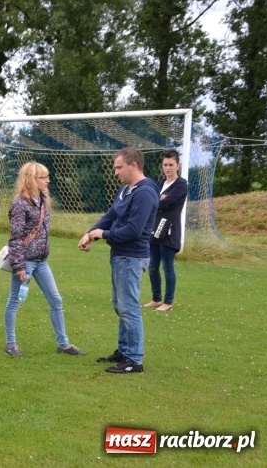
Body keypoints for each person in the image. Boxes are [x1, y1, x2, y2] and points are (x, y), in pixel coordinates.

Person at [78, 147, 158, 374]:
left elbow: (133, 230)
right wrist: (90, 232)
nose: (116, 172)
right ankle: (124, 351)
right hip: (120, 256)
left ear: (134, 165)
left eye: (119, 167)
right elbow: (110, 216)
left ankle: (134, 360)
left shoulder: (145, 193)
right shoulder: (126, 191)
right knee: (120, 305)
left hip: (132, 257)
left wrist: (102, 235)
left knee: (129, 307)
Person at [3, 162, 86, 358]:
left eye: (47, 176)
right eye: (43, 177)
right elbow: (15, 237)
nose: (47, 180)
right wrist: (19, 265)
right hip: (26, 261)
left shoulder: (42, 200)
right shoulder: (19, 204)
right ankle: (11, 343)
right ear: (30, 179)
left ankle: (63, 344)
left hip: (41, 261)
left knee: (56, 299)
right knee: (15, 301)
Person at [144, 149, 188, 312]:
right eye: (165, 165)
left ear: (177, 166)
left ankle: (168, 302)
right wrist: (158, 199)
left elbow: (165, 204)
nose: (168, 168)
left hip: (169, 230)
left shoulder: (181, 184)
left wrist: (159, 200)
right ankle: (156, 298)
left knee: (167, 266)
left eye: (171, 165)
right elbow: (153, 201)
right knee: (152, 266)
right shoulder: (160, 184)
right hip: (155, 229)